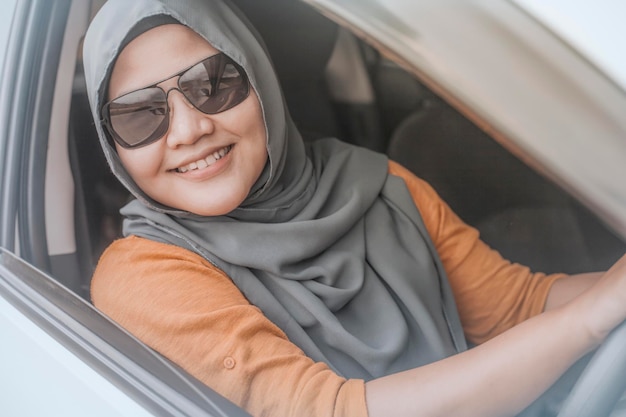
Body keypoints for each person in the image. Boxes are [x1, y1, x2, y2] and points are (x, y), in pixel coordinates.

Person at [83, 0, 626, 416]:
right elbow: (331, 410)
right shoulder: (145, 273)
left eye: (214, 84)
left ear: (259, 80)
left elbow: (516, 305)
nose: (190, 129)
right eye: (140, 115)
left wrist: (606, 293)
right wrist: (588, 321)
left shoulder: (377, 183)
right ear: (113, 147)